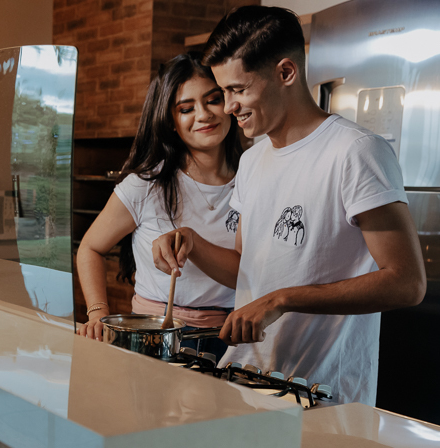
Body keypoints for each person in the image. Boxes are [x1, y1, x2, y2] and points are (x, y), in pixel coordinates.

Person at [151, 6, 426, 404]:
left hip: (318, 396)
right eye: (224, 91)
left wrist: (283, 299)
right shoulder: (252, 159)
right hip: (244, 380)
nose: (228, 106)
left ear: (285, 73)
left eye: (238, 90)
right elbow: (247, 269)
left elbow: (407, 282)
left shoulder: (356, 152)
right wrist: (192, 243)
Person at [75, 52, 244, 361]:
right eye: (186, 108)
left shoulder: (253, 178)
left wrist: (194, 242)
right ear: (171, 121)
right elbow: (90, 248)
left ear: (231, 103)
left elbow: (244, 274)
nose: (204, 115)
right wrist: (97, 313)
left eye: (213, 100)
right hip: (151, 337)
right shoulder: (148, 183)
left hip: (227, 341)